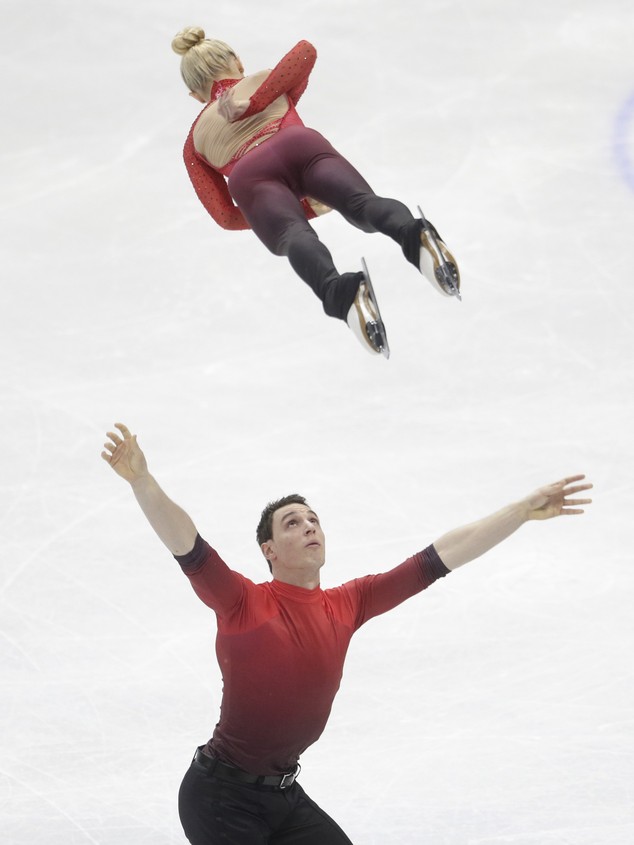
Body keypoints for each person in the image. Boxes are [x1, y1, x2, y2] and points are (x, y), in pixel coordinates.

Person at [101, 422, 592, 844]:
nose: (310, 526)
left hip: (282, 796)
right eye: (292, 523)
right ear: (269, 550)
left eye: (314, 519)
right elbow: (185, 542)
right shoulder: (242, 602)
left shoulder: (349, 603)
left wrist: (520, 511)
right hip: (220, 798)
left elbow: (442, 555)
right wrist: (142, 480)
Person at [171, 30, 461, 357]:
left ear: (195, 95)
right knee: (362, 205)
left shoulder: (193, 144)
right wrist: (255, 102)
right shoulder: (267, 80)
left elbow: (225, 215)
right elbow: (305, 52)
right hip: (300, 146)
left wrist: (304, 212)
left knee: (294, 235)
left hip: (250, 176)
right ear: (237, 61)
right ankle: (413, 233)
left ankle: (340, 292)